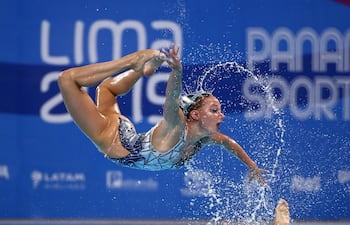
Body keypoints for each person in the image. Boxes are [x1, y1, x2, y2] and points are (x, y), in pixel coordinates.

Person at [58, 43, 266, 184]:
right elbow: (172, 98)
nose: (221, 116)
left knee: (106, 90)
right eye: (214, 110)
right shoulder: (176, 126)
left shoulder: (203, 138)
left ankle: (143, 70)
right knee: (67, 80)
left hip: (127, 133)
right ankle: (132, 63)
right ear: (194, 115)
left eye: (219, 111)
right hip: (112, 140)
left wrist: (252, 166)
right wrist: (176, 72)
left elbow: (228, 143)